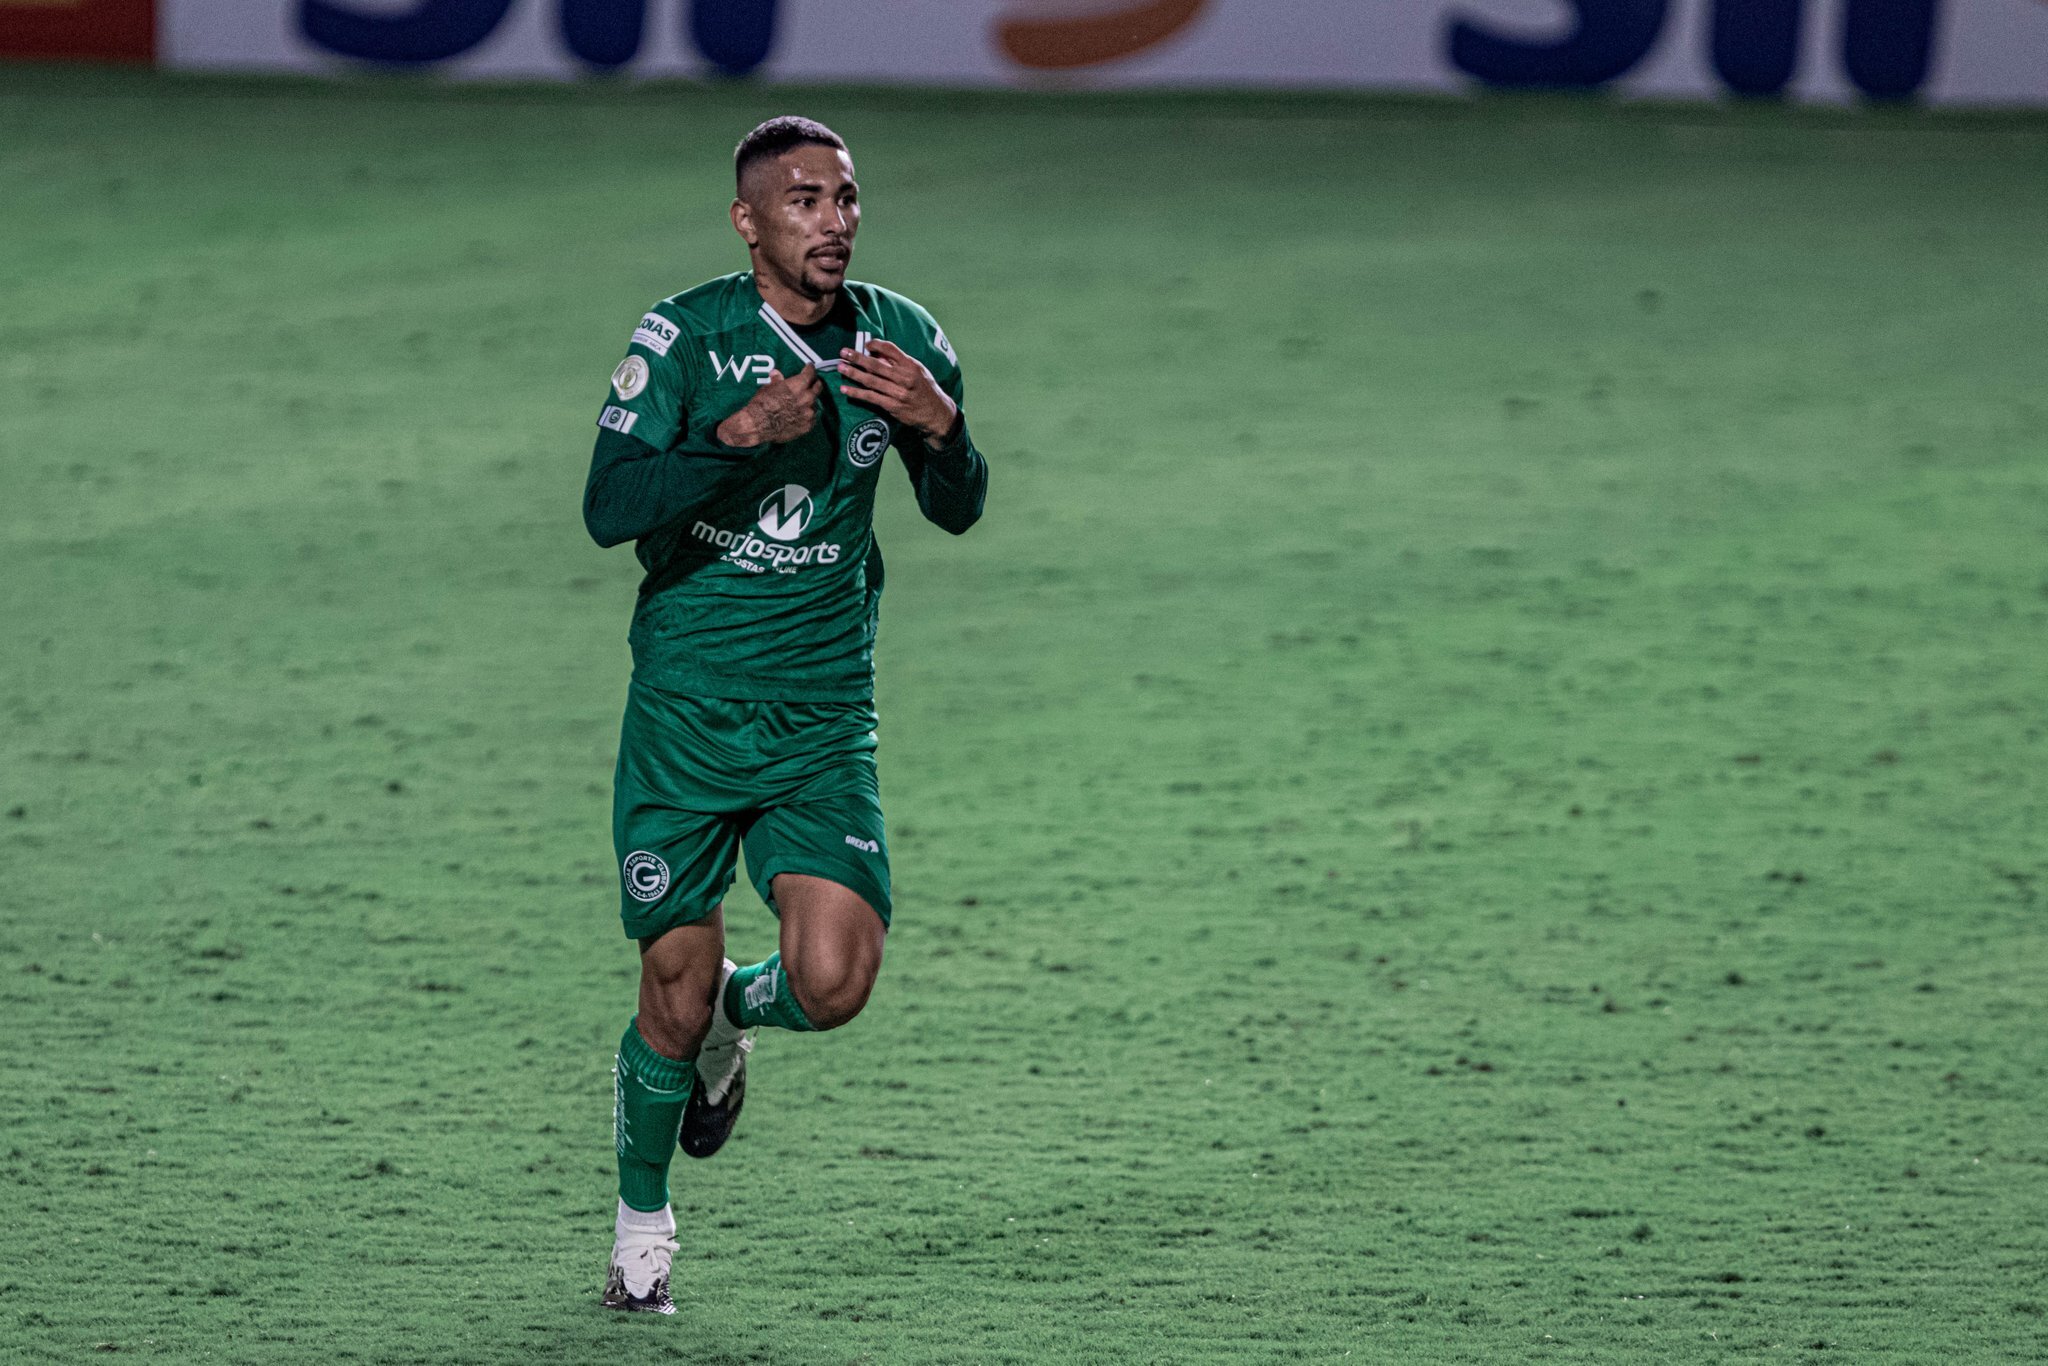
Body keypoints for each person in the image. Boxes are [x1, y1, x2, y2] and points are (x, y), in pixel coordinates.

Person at [580, 115, 989, 1314]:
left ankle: (732, 1019)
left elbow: (958, 508)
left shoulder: (898, 341)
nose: (834, 220)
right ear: (748, 222)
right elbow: (610, 506)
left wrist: (938, 427)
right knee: (667, 980)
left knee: (837, 981)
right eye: (804, 201)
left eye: (847, 197)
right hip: (688, 713)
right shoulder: (687, 337)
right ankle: (640, 1225)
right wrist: (733, 438)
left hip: (820, 714)